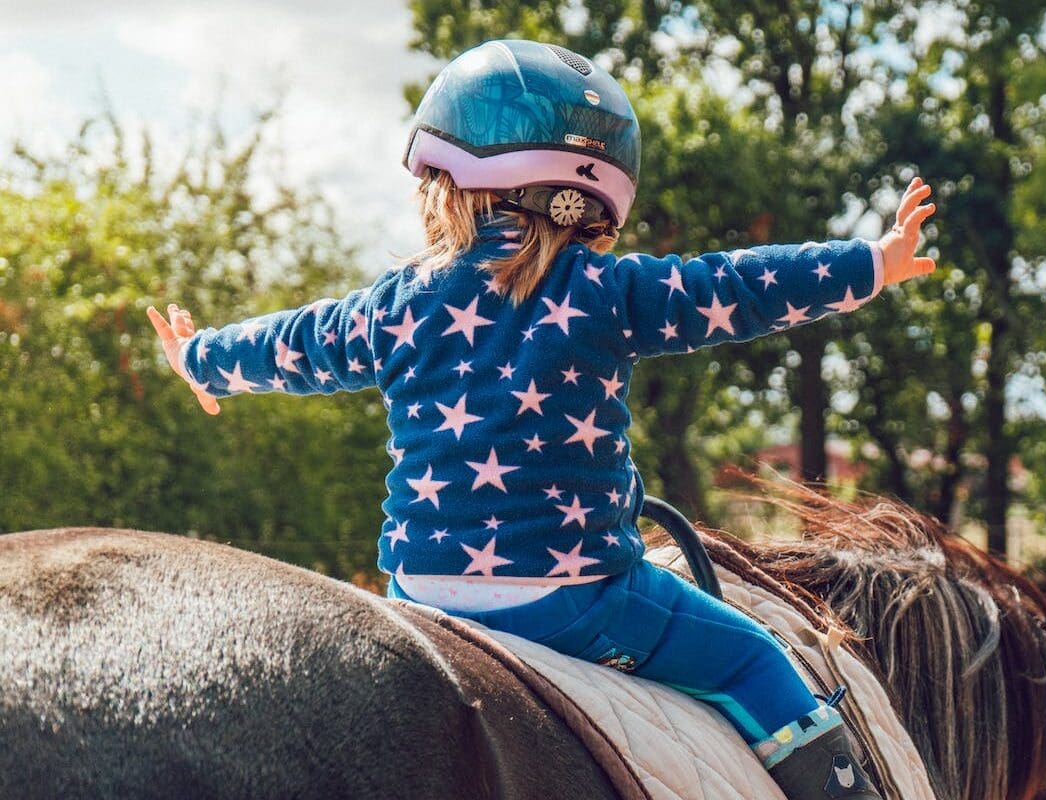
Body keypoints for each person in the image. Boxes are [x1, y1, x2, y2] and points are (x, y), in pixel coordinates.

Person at [147, 39, 935, 800]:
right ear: (592, 202)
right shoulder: (608, 291)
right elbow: (739, 286)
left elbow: (296, 341)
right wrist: (875, 261)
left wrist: (202, 359)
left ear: (446, 184)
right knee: (752, 662)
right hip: (575, 598)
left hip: (418, 595)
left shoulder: (393, 305)